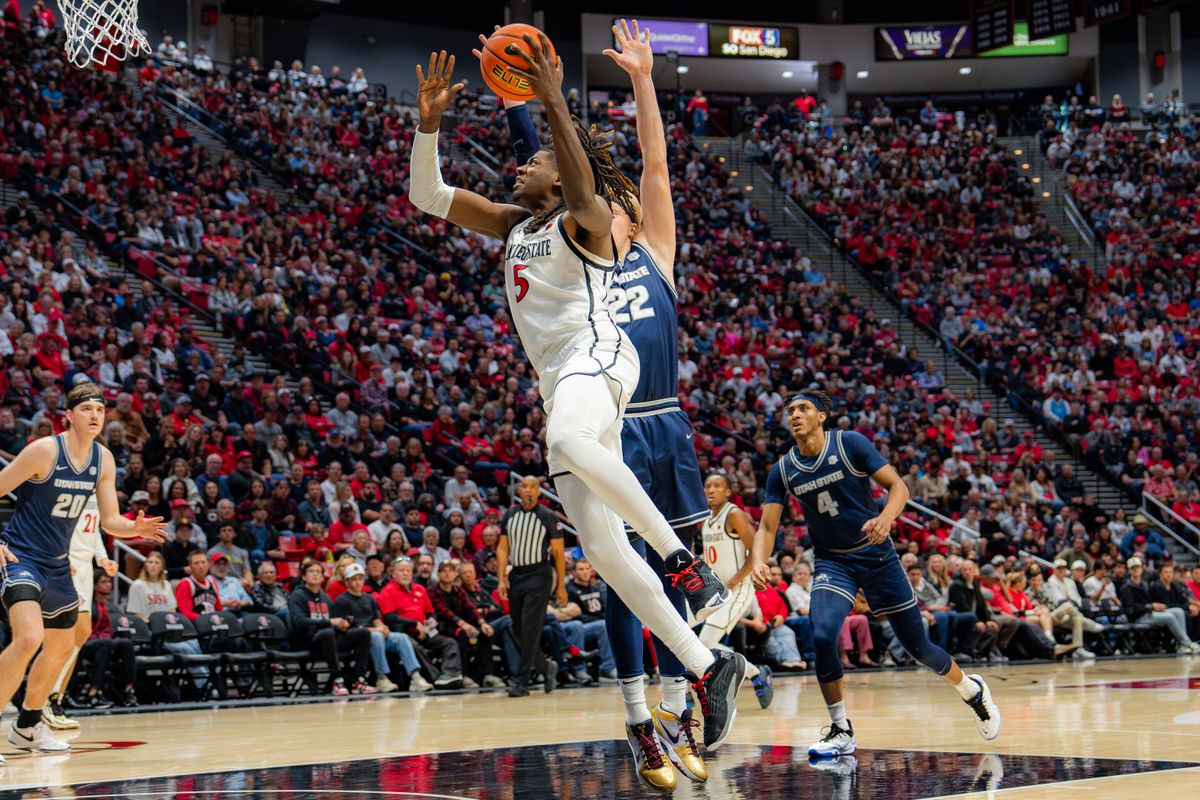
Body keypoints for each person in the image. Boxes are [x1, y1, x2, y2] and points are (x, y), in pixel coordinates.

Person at [415, 44, 742, 749]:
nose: (521, 160)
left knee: (568, 444)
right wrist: (429, 127)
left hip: (603, 366)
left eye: (536, 160)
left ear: (563, 180)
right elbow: (428, 196)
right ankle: (708, 664)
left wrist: (556, 96)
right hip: (567, 385)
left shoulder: (588, 224)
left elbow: (601, 172)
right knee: (603, 550)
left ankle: (685, 565)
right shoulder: (517, 223)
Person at [750, 390, 1000, 759]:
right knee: (822, 634)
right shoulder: (783, 469)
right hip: (833, 562)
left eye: (803, 408)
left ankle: (971, 691)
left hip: (877, 555)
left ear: (822, 416)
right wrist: (759, 560)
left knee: (920, 649)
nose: (795, 415)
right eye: (790, 410)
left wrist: (885, 518)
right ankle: (840, 729)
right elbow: (768, 528)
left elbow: (899, 487)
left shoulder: (849, 444)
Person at [0, 382, 165, 759]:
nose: (94, 416)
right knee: (28, 638)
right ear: (68, 415)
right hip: (21, 557)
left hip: (59, 564)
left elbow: (109, 520)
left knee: (63, 646)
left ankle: (27, 727)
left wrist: (133, 528)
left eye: (100, 410)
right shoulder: (43, 451)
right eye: (87, 409)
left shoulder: (103, 459)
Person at [42, 493, 118, 728]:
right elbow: (53, 524)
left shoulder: (96, 484)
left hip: (85, 566)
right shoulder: (69, 483)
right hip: (67, 565)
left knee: (79, 636)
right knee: (72, 633)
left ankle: (54, 698)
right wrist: (60, 557)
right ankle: (46, 698)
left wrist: (102, 558)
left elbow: (93, 527)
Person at [698, 474, 774, 706]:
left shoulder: (734, 514)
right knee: (678, 628)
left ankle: (755, 674)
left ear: (728, 492)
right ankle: (755, 673)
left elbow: (756, 551)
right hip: (714, 589)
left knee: (705, 643)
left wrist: (733, 581)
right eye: (708, 486)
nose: (711, 490)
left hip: (737, 588)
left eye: (717, 486)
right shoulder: (706, 519)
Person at [498, 475, 565, 697]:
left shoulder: (547, 516)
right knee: (517, 629)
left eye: (532, 487)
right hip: (516, 575)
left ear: (538, 492)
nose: (527, 490)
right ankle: (547, 667)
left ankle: (521, 680)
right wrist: (501, 578)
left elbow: (558, 553)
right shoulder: (509, 515)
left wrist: (561, 586)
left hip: (539, 575)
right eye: (524, 486)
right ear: (519, 490)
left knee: (529, 627)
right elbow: (502, 549)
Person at [332, 562, 426, 693]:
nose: (357, 582)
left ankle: (415, 676)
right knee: (376, 636)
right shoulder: (341, 600)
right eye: (353, 579)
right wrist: (377, 630)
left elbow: (376, 619)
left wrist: (383, 628)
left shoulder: (369, 598)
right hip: (357, 639)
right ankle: (381, 678)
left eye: (360, 578)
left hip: (375, 634)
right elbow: (348, 627)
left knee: (401, 637)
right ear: (346, 581)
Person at [287, 560, 375, 695]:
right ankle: (337, 680)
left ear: (323, 577)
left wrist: (343, 624)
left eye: (318, 572)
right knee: (327, 632)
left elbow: (334, 621)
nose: (315, 574)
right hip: (307, 640)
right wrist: (330, 622)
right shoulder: (297, 596)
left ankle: (359, 679)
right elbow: (298, 621)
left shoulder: (325, 598)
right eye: (311, 571)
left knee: (363, 633)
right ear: (303, 576)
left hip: (330, 639)